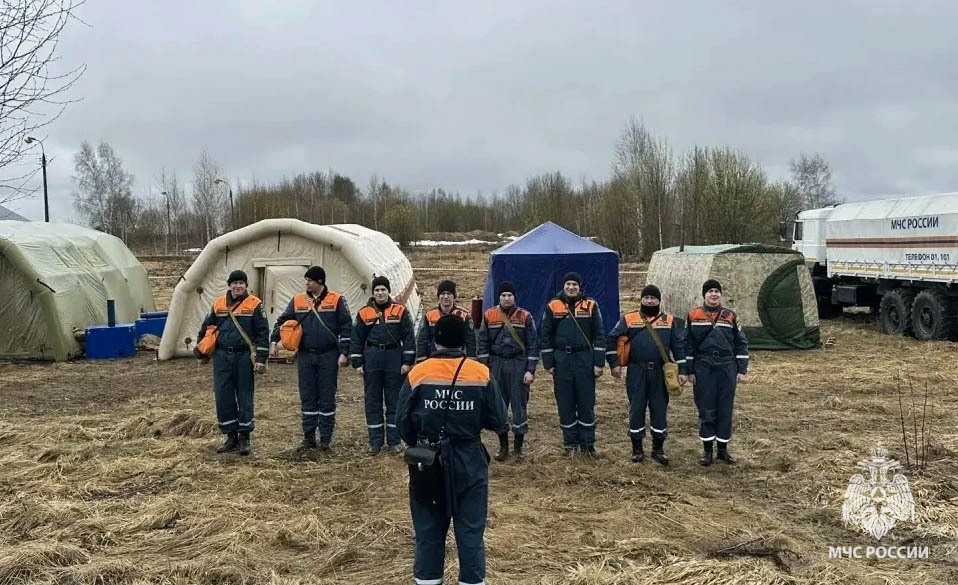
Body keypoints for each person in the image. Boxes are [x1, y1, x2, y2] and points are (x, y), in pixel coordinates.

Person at [397, 314, 507, 585]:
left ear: (435, 340)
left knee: (428, 533)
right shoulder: (480, 373)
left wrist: (420, 443)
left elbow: (402, 421)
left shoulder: (419, 373)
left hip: (428, 461)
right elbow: (499, 419)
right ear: (464, 341)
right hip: (469, 459)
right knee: (470, 534)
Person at [269, 266, 351, 451]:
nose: (306, 283)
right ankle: (308, 437)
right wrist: (274, 341)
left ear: (320, 282)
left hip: (328, 355)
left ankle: (325, 439)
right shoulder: (298, 300)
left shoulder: (337, 300)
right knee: (307, 395)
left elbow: (346, 327)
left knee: (327, 395)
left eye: (310, 280)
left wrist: (344, 353)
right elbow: (282, 322)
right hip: (305, 355)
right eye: (306, 280)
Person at [194, 269, 269, 456]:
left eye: (241, 283)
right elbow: (207, 327)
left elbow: (262, 333)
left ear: (246, 285)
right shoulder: (218, 303)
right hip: (221, 357)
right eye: (234, 283)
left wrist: (261, 358)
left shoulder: (255, 304)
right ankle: (230, 436)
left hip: (243, 357)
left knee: (244, 395)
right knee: (223, 396)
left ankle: (244, 437)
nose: (238, 286)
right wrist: (202, 351)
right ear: (229, 285)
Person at [608, 284, 686, 465]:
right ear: (641, 299)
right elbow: (611, 339)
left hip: (660, 372)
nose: (650, 301)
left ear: (659, 301)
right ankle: (637, 449)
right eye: (647, 298)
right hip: (637, 371)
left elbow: (678, 347)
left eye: (653, 298)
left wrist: (683, 370)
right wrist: (614, 364)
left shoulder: (669, 321)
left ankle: (658, 449)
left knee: (659, 409)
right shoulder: (629, 319)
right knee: (636, 408)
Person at [539, 272, 607, 456]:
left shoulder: (591, 305)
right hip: (562, 360)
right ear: (564, 286)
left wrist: (599, 363)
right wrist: (549, 363)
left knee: (586, 403)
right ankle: (570, 444)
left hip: (584, 359)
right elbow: (545, 336)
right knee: (565, 403)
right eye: (568, 284)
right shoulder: (553, 306)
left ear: (579, 287)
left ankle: (587, 444)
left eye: (574, 284)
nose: (571, 287)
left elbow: (600, 335)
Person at [684, 279, 749, 466]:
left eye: (717, 291)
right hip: (703, 366)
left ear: (721, 295)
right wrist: (689, 370)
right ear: (704, 295)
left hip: (727, 366)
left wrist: (741, 369)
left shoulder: (730, 315)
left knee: (725, 408)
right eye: (710, 291)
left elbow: (741, 343)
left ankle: (722, 450)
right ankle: (707, 451)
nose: (714, 294)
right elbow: (687, 344)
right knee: (706, 408)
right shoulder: (693, 315)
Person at [349, 275, 416, 454]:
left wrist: (407, 361)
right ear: (373, 293)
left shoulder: (400, 311)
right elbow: (357, 338)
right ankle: (375, 442)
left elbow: (409, 337)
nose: (380, 293)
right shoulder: (364, 312)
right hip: (372, 357)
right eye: (377, 290)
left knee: (394, 400)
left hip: (394, 357)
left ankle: (394, 441)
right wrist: (357, 362)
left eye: (383, 289)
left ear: (388, 291)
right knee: (373, 401)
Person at [477, 281, 539, 461]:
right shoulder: (489, 315)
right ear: (499, 297)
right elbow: (482, 342)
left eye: (509, 295)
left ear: (514, 297)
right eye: (503, 295)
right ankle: (503, 446)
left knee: (519, 406)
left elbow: (533, 344)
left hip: (518, 364)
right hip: (497, 364)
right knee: (499, 406)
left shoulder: (525, 316)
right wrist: (485, 368)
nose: (506, 298)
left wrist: (530, 370)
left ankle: (518, 448)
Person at [416, 279, 477, 361]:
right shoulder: (429, 315)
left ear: (454, 296)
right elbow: (423, 339)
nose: (446, 296)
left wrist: (471, 358)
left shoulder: (464, 315)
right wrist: (421, 358)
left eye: (449, 293)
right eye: (443, 293)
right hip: (435, 357)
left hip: (458, 358)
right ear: (438, 296)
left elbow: (470, 340)